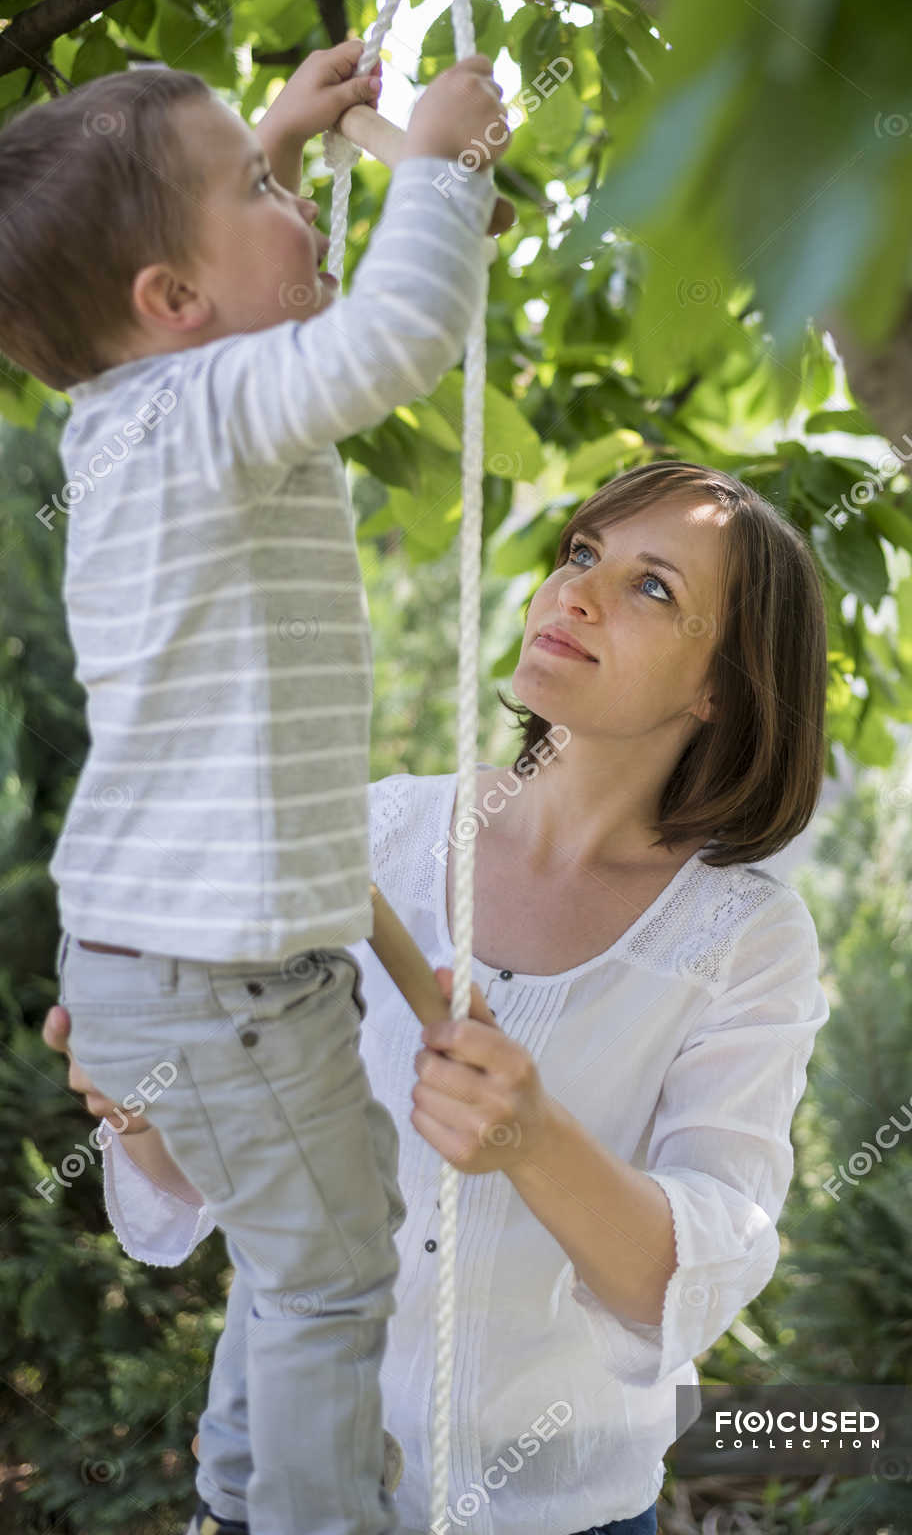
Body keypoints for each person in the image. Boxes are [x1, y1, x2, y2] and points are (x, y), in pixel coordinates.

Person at [44, 460, 833, 1535]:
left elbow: (691, 1276)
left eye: (652, 587)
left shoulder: (744, 939)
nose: (577, 593)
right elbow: (215, 1168)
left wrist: (534, 1139)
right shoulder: (373, 838)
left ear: (720, 688)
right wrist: (138, 1094)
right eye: (581, 555)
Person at [1, 40, 513, 1535]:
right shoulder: (217, 409)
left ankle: (245, 1491)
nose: (295, 203)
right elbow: (396, 335)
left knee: (317, 1222)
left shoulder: (136, 423)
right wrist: (434, 167)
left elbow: (241, 287)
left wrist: (273, 146)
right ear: (172, 301)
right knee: (332, 1275)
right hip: (226, 972)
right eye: (260, 190)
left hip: (165, 963)